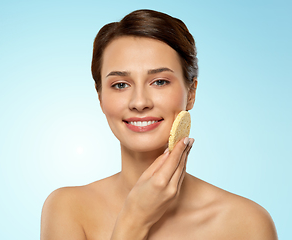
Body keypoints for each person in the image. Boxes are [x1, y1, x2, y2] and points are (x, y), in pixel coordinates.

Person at [40, 9, 277, 240]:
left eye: (160, 81)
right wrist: (134, 219)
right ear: (100, 97)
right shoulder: (68, 209)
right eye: (120, 84)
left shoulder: (246, 223)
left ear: (191, 92)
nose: (140, 102)